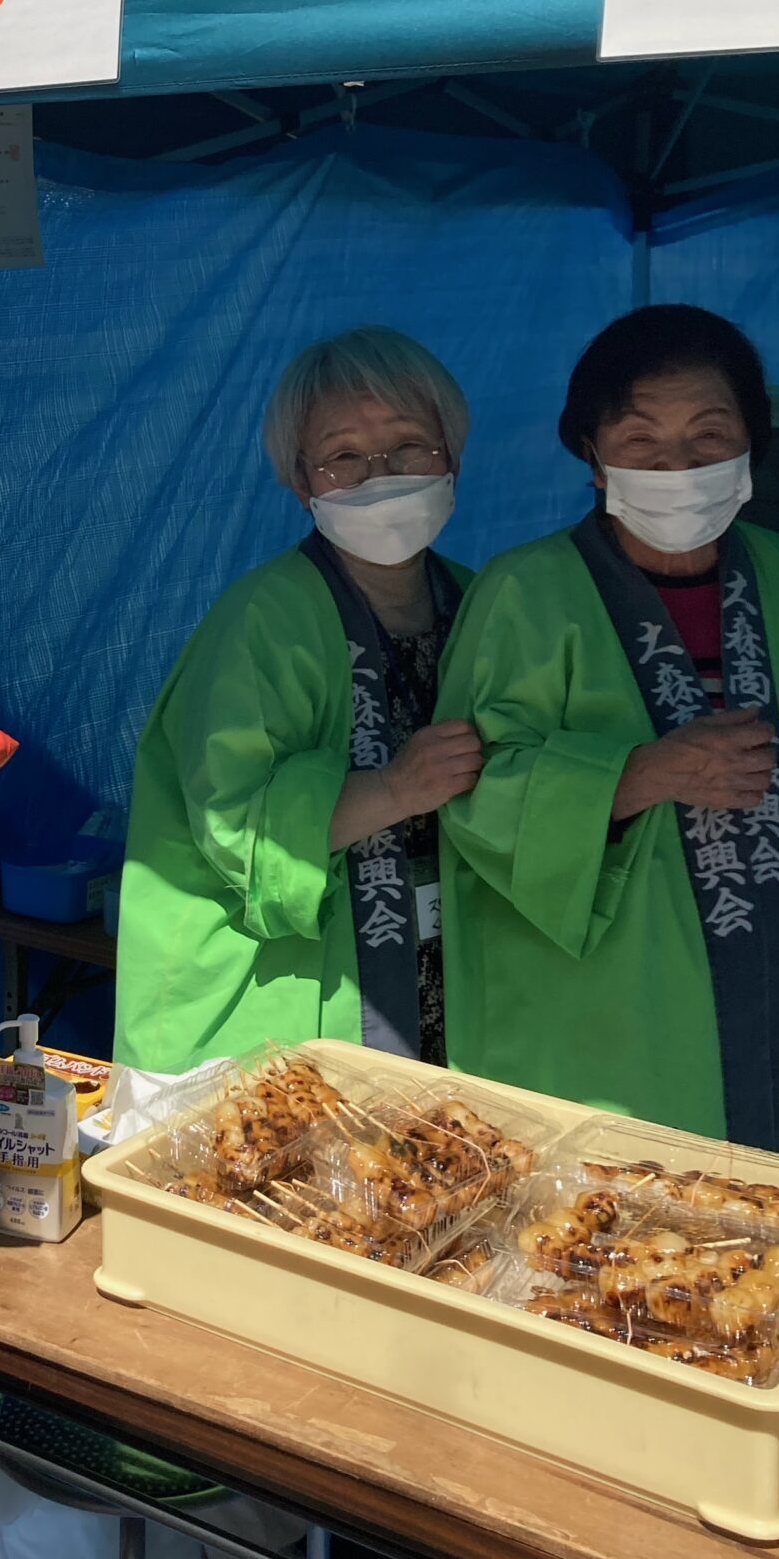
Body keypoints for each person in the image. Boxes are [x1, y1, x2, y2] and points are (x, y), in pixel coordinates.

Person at [437, 304, 779, 1166]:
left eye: (708, 435)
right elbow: (470, 790)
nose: (678, 466)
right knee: (607, 1236)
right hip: (600, 1014)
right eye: (641, 440)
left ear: (749, 446)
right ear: (591, 455)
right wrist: (634, 774)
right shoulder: (525, 594)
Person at [115, 326, 482, 1077]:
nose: (381, 475)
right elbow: (235, 829)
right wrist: (396, 790)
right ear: (299, 479)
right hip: (294, 997)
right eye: (344, 457)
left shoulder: (477, 602)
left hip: (448, 975)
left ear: (455, 453)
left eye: (411, 445)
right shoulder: (261, 619)